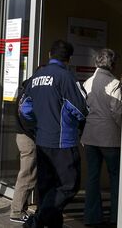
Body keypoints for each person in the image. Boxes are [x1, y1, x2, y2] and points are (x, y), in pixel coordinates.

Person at [19, 40, 89, 228]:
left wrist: (40, 122)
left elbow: (25, 109)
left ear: (50, 54)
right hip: (63, 142)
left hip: (42, 140)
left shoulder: (36, 76)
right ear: (69, 59)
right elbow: (81, 109)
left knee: (47, 187)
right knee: (69, 186)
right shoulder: (66, 77)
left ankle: (47, 222)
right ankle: (37, 219)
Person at [81, 48, 122, 227]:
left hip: (90, 136)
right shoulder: (114, 83)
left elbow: (84, 109)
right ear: (112, 63)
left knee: (92, 176)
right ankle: (116, 216)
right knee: (116, 177)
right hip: (110, 138)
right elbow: (118, 112)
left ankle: (91, 217)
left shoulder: (87, 82)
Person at [10, 77, 37, 223]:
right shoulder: (30, 91)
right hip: (28, 137)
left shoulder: (23, 88)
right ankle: (17, 211)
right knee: (27, 174)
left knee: (27, 173)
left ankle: (21, 209)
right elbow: (27, 113)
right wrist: (35, 130)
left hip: (22, 135)